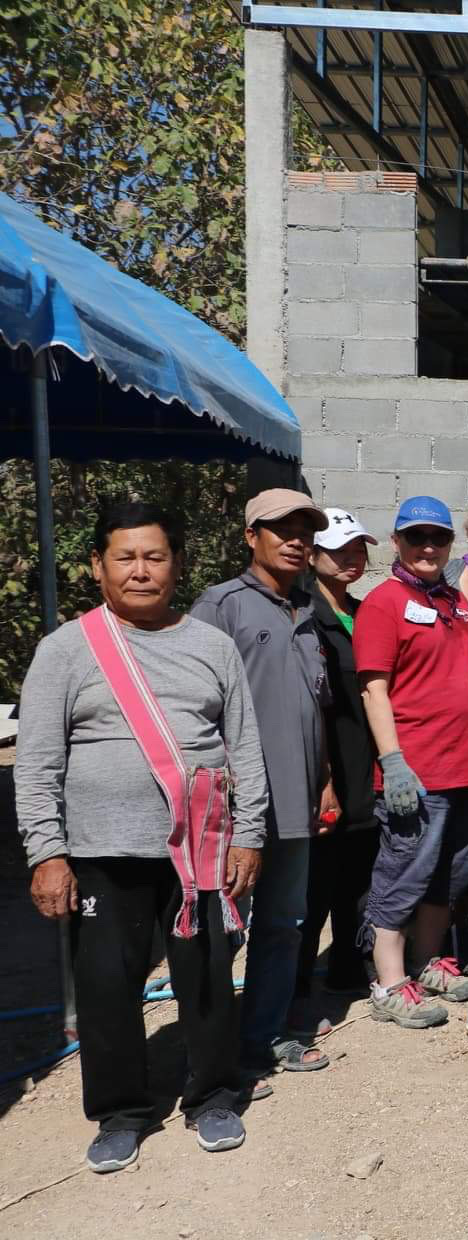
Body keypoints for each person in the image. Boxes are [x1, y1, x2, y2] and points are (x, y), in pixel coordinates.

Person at [17, 502, 269, 1171]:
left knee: (209, 980)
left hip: (201, 852)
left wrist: (251, 834)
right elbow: (38, 764)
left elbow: (244, 746)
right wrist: (47, 852)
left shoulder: (212, 647)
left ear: (177, 564)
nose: (140, 570)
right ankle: (122, 1111)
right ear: (98, 565)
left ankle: (213, 1095)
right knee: (105, 986)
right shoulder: (66, 651)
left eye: (154, 556)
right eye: (125, 557)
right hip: (102, 856)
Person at [188, 488, 331, 1077]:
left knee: (284, 924)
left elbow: (313, 707)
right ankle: (210, 1048)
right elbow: (193, 706)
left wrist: (324, 780)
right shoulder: (220, 606)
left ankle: (263, 1037)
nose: (296, 540)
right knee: (220, 929)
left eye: (305, 530)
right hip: (235, 807)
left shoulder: (309, 609)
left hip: (297, 803)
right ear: (251, 537)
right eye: (281, 529)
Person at [355, 496, 468, 1030]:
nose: (428, 547)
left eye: (438, 538)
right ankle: (389, 983)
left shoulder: (455, 603)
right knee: (404, 873)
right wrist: (393, 762)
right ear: (397, 543)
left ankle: (427, 963)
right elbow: (374, 689)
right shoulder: (384, 603)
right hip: (418, 773)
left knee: (452, 876)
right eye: (416, 538)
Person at [296, 509, 381, 1029]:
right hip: (327, 769)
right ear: (311, 555)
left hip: (365, 770)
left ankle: (348, 971)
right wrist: (322, 777)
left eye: (357, 549)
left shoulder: (364, 612)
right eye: (338, 550)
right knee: (315, 886)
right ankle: (297, 988)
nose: (351, 558)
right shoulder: (304, 618)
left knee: (359, 878)